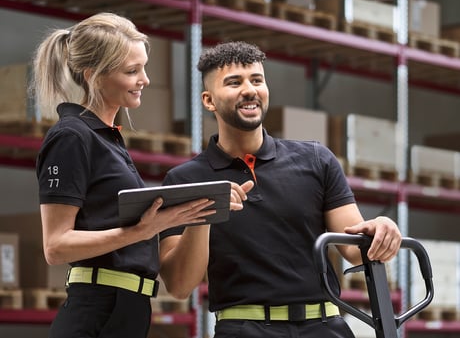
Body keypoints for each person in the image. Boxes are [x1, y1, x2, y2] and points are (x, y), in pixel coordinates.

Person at [158, 41, 402, 338]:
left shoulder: (316, 160)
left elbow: (354, 249)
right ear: (209, 101)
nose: (249, 90)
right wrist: (204, 215)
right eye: (234, 82)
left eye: (257, 80)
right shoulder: (184, 179)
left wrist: (382, 228)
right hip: (243, 329)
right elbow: (180, 285)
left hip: (324, 327)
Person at [33, 13, 248, 338]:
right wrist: (144, 229)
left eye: (144, 68)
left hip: (126, 307)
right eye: (132, 71)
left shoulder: (108, 139)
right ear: (93, 76)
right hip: (98, 308)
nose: (144, 79)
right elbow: (56, 246)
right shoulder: (72, 137)